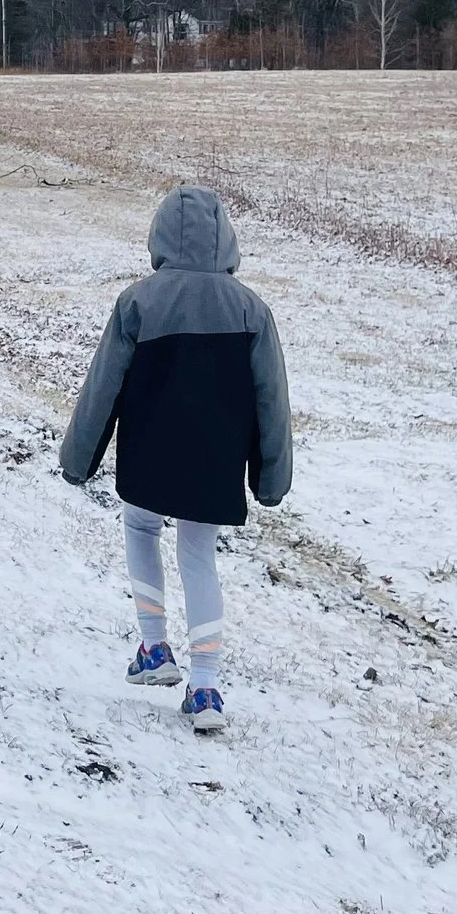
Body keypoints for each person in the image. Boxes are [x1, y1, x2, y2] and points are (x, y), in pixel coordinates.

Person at [58, 185, 293, 733]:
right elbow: (271, 400)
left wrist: (79, 458)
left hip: (149, 446)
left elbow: (102, 387)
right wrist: (271, 478)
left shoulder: (139, 300)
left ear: (160, 236)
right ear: (225, 240)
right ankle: (206, 685)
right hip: (215, 457)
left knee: (141, 528)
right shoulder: (252, 310)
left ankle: (154, 647)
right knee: (199, 553)